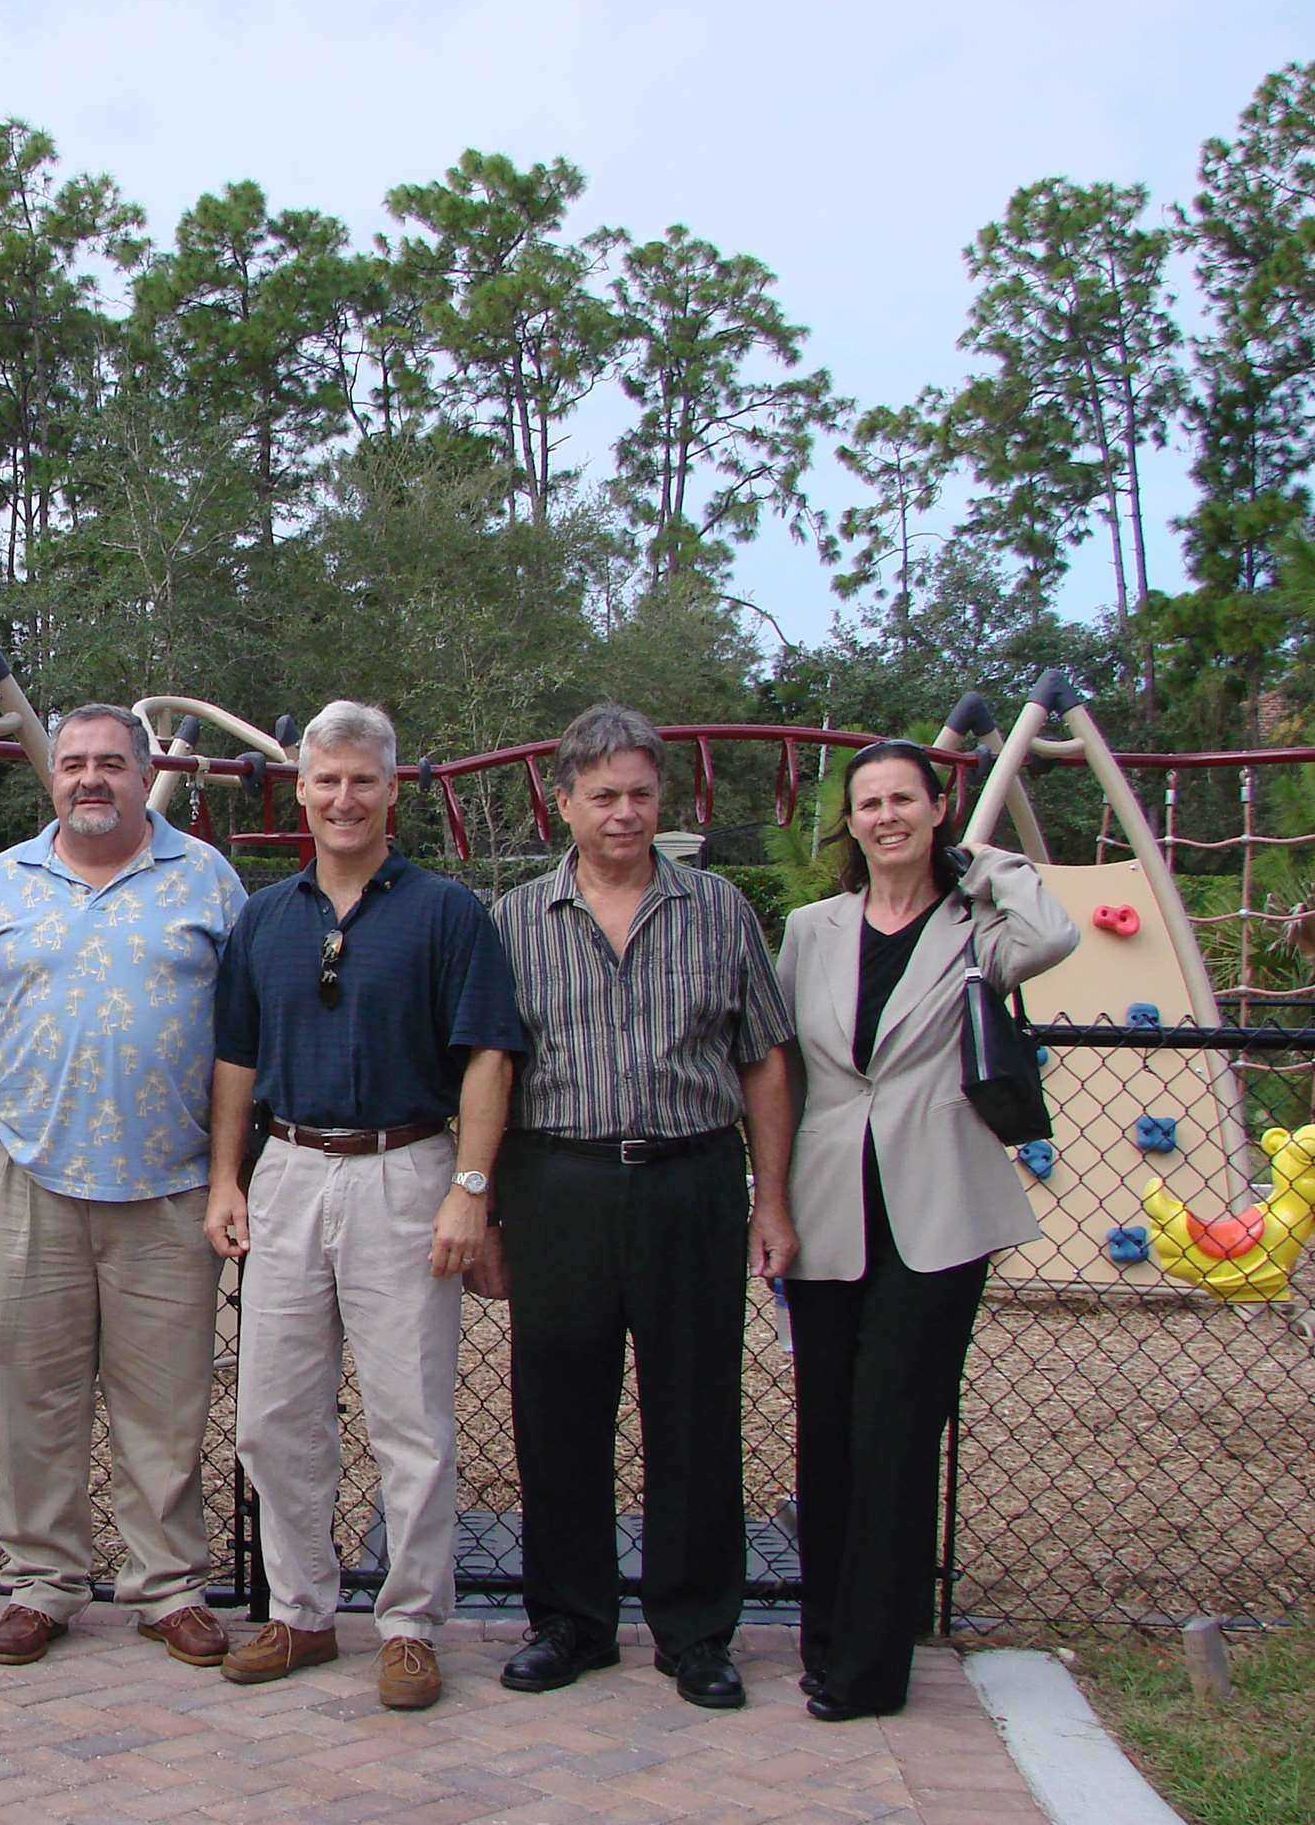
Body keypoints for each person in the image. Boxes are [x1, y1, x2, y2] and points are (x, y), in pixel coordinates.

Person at [203, 701, 524, 1711]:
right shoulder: (264, 917)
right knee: (270, 1414)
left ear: (392, 791)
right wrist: (225, 1179)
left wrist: (467, 1190)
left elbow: (486, 1056)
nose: (342, 799)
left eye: (361, 781)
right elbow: (233, 1061)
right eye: (324, 780)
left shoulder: (445, 913)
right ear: (297, 789)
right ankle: (298, 1611)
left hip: (406, 1168)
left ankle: (407, 1623)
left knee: (409, 1417)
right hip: (289, 1170)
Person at [492, 701, 797, 1710]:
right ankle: (569, 1622)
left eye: (639, 794)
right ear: (564, 803)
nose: (623, 813)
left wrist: (770, 1201)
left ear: (660, 799)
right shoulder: (512, 923)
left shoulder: (716, 910)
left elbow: (761, 1062)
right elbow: (490, 1073)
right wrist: (486, 1207)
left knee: (695, 1411)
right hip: (559, 1186)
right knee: (557, 1412)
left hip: (690, 1182)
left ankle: (695, 1631)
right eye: (602, 796)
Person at [0, 704, 247, 1670]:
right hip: (31, 1178)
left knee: (166, 1404)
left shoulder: (208, 880)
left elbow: (242, 1042)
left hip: (170, 1187)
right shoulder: (1, 884)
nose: (90, 780)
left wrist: (232, 1173)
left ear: (145, 772)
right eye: (73, 764)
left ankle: (168, 1588)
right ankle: (42, 1584)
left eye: (112, 763)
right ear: (51, 777)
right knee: (34, 1396)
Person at [775, 739, 1076, 1721]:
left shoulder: (973, 925)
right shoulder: (810, 929)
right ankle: (825, 1637)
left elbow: (1052, 936)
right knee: (825, 1433)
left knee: (894, 1433)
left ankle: (867, 1669)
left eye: (902, 799)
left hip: (933, 1212)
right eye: (867, 803)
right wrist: (766, 1199)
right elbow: (783, 1071)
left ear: (935, 809)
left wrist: (983, 862)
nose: (885, 817)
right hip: (826, 1206)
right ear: (849, 821)